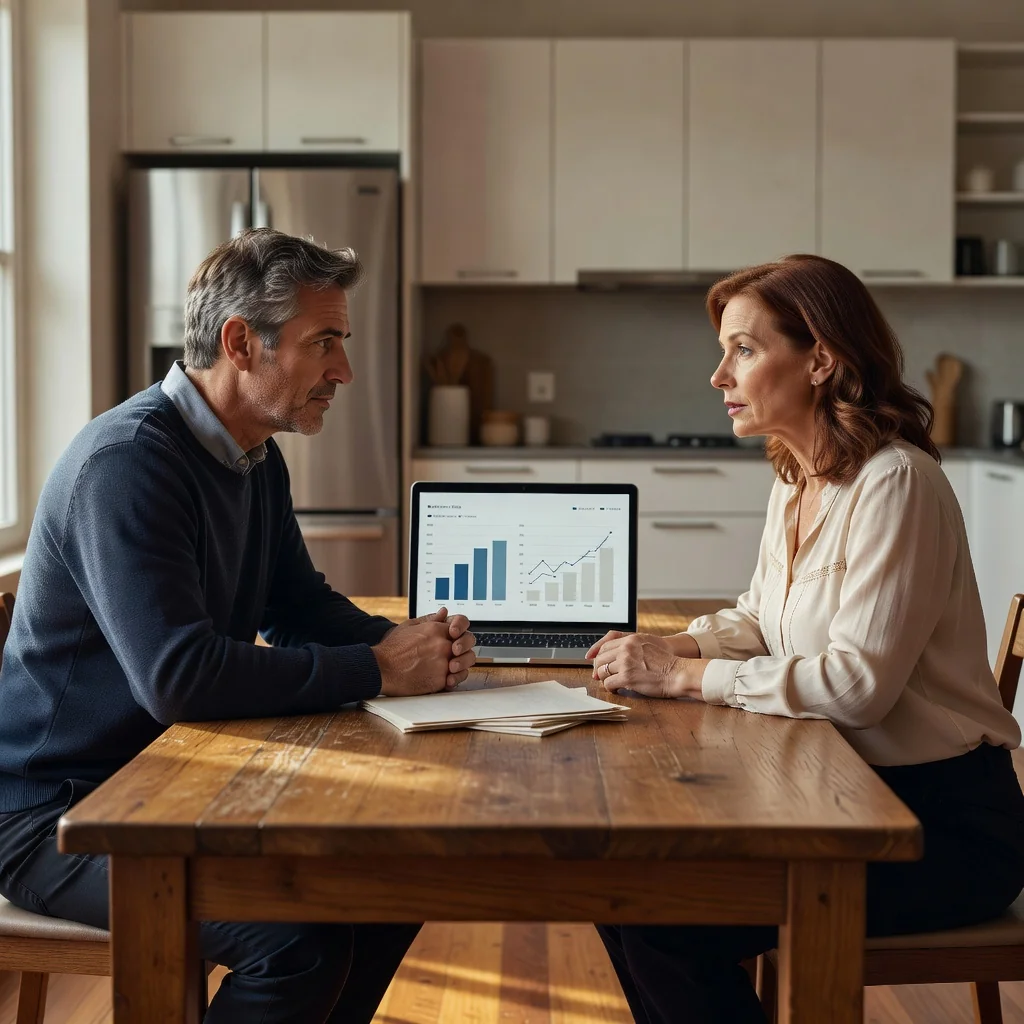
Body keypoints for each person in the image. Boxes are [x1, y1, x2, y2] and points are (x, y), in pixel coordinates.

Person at [0, 228, 477, 1023]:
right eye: (324, 343)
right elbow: (178, 678)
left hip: (170, 785)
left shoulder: (253, 457)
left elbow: (296, 608)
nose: (344, 371)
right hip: (61, 816)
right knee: (297, 942)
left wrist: (412, 644)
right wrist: (382, 669)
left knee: (388, 884)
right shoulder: (128, 463)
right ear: (240, 343)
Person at [586, 254, 1024, 1024]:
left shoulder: (897, 482)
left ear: (821, 360)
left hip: (940, 828)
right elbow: (762, 619)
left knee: (661, 921)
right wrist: (667, 648)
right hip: (839, 797)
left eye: (744, 350)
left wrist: (682, 679)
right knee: (621, 892)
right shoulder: (797, 478)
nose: (719, 376)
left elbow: (857, 688)